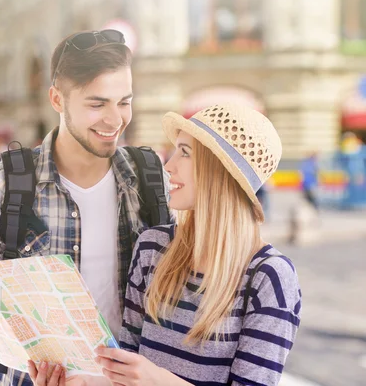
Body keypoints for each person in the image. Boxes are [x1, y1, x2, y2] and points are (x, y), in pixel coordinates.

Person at [0, 29, 173, 386]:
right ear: (57, 99)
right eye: (97, 104)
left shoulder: (149, 177)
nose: (115, 120)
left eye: (124, 102)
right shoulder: (3, 186)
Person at [30, 104, 302, 386]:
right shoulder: (153, 247)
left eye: (185, 153)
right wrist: (80, 382)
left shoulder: (269, 277)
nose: (169, 165)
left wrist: (157, 381)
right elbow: (125, 371)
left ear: (219, 171)